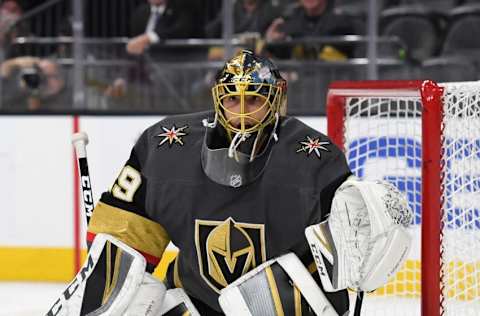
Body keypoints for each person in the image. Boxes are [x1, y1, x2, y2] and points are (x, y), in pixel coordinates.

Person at [46, 50, 412, 315]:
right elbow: (123, 242)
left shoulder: (314, 156)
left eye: (253, 99)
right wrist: (96, 292)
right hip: (193, 299)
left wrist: (364, 253)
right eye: (233, 101)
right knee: (132, 299)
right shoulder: (165, 146)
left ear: (275, 101)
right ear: (218, 101)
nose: (242, 112)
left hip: (278, 303)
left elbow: (342, 262)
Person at [265, 0, 362, 59]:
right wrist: (271, 42)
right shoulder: (291, 18)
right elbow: (282, 55)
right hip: (300, 86)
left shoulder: (341, 20)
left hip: (332, 83)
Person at [126, 0, 200, 57]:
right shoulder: (139, 13)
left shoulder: (183, 7)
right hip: (144, 68)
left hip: (177, 63)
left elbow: (180, 30)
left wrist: (149, 38)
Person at [205, 0, 281, 38]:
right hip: (234, 53)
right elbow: (211, 30)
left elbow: (274, 32)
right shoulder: (233, 7)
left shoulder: (269, 7)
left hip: (260, 55)